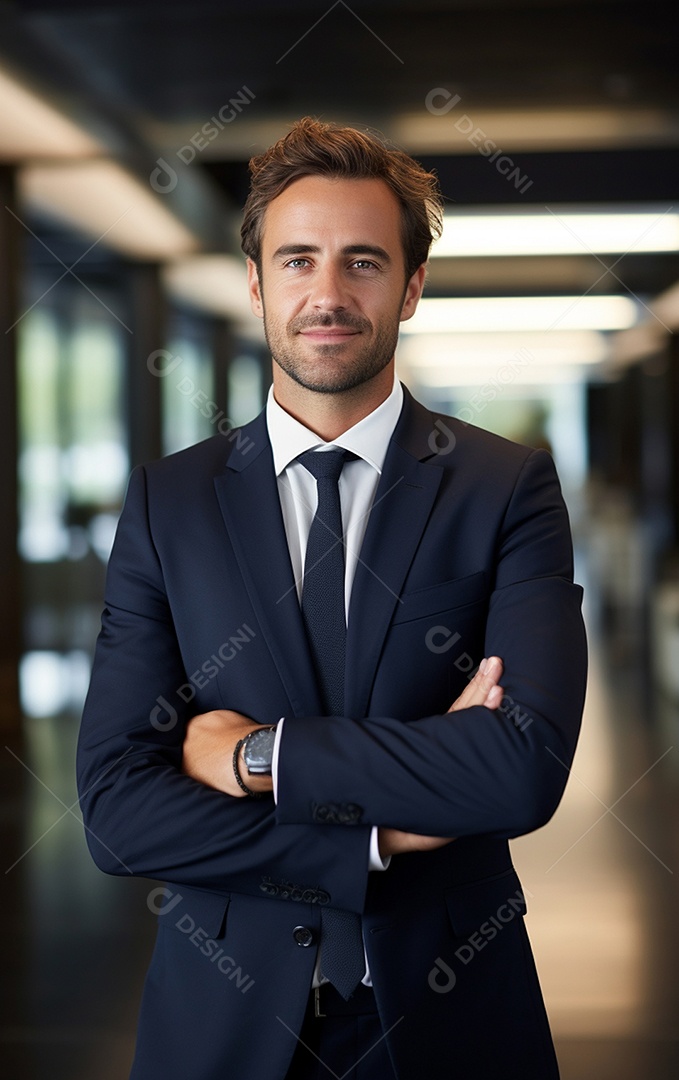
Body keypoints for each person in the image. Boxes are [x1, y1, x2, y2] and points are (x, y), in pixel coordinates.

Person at [77, 117, 587, 1080]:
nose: (327, 293)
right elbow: (114, 809)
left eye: (362, 261)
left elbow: (521, 766)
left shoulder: (504, 487)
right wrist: (373, 840)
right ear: (258, 284)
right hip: (219, 1027)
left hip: (450, 1020)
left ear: (411, 286)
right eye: (298, 259)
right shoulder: (167, 503)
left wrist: (256, 755)